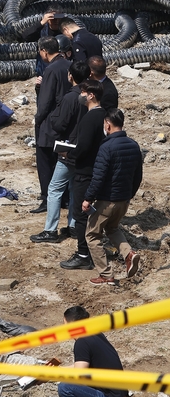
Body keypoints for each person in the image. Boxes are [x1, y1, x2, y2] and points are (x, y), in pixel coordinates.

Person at [50, 305, 130, 397]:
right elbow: (81, 366)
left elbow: (79, 375)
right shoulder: (94, 334)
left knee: (65, 387)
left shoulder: (82, 342)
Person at [30, 61, 89, 243]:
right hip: (85, 149)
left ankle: (50, 230)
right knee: (73, 189)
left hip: (68, 149)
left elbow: (59, 123)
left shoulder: (70, 98)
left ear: (70, 76)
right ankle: (72, 225)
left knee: (54, 189)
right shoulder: (90, 96)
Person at [82, 108, 143, 285]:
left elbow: (98, 177)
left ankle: (106, 274)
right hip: (123, 200)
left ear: (107, 124)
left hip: (106, 201)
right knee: (113, 229)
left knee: (92, 235)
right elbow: (137, 176)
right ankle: (129, 254)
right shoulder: (133, 145)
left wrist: (88, 198)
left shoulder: (106, 147)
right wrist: (128, 195)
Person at [60, 81, 106, 271]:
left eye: (83, 92)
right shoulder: (106, 115)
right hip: (100, 170)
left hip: (85, 172)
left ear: (91, 96)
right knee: (97, 214)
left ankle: (83, 254)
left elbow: (84, 147)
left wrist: (68, 153)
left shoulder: (89, 118)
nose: (81, 95)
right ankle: (95, 249)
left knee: (81, 214)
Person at [32, 37, 71, 214]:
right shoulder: (68, 65)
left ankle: (47, 199)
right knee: (61, 161)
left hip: (50, 123)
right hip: (67, 120)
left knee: (46, 162)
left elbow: (46, 102)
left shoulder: (51, 70)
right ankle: (64, 198)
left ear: (43, 51)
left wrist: (38, 119)